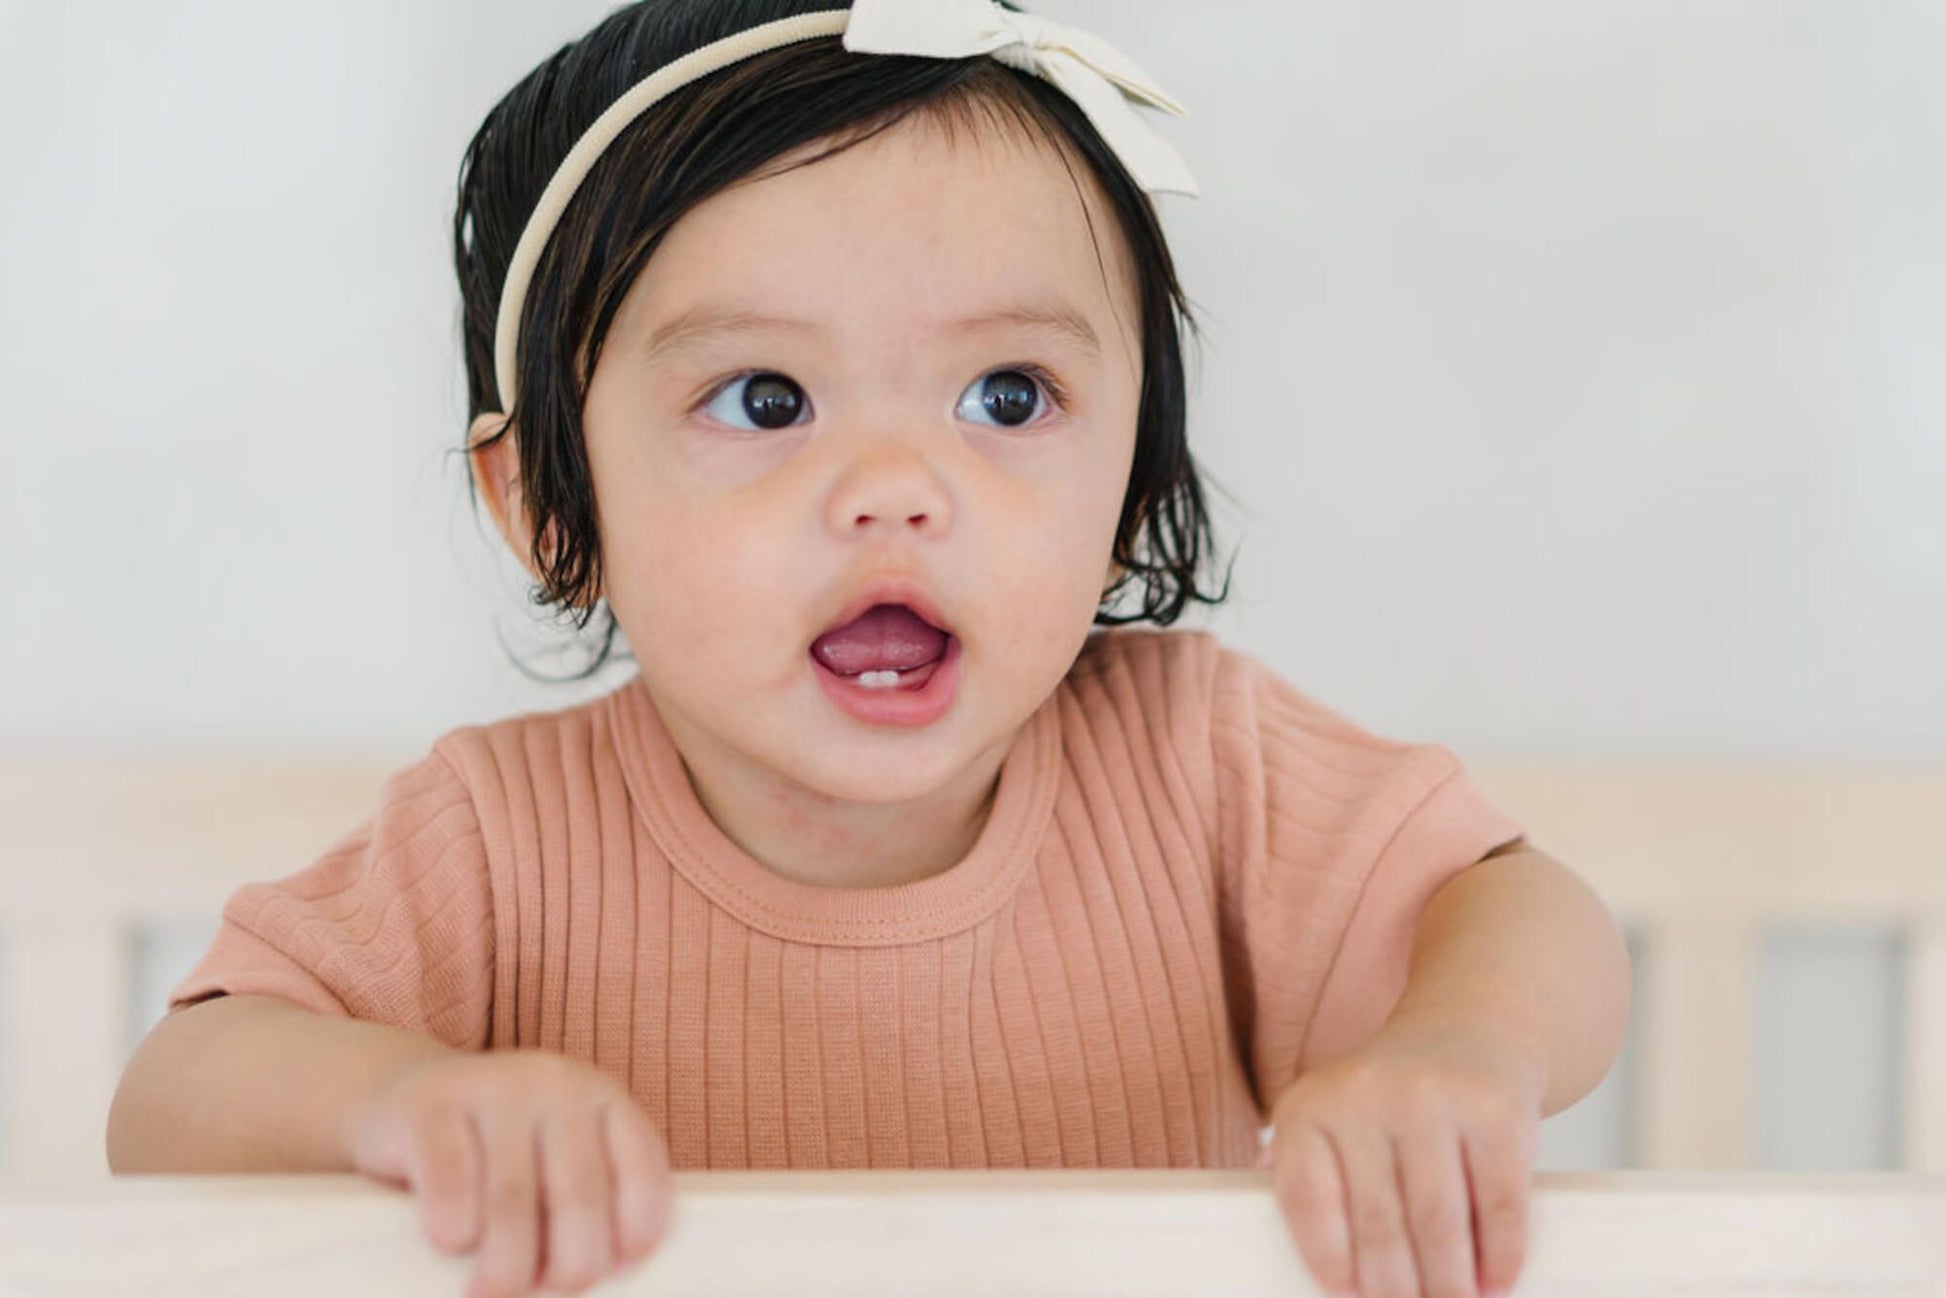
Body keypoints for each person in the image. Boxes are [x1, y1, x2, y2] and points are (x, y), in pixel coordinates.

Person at [106, 3, 1632, 1296]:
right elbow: (172, 1098)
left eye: (1008, 397)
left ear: (1130, 482)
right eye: (765, 400)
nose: (897, 488)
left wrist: (1457, 1047)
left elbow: (1521, 908)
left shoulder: (1199, 764)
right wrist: (406, 1102)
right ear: (551, 507)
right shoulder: (497, 842)